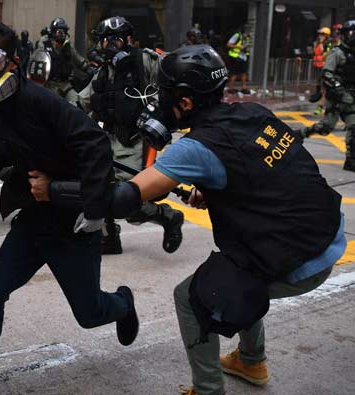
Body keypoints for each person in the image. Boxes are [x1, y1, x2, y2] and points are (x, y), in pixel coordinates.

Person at [116, 44, 344, 395]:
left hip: (301, 257)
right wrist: (219, 190)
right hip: (325, 232)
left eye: (165, 94)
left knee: (193, 296)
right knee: (237, 270)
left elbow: (128, 195)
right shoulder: (251, 113)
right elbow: (269, 172)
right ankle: (252, 361)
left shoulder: (195, 147)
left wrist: (60, 188)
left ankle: (209, 390)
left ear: (186, 102)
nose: (159, 102)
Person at [0, 21, 139, 395]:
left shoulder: (39, 100)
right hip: (33, 220)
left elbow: (95, 144)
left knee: (90, 313)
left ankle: (123, 303)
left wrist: (91, 208)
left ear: (13, 63)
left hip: (71, 222)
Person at [81, 16, 184, 255]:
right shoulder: (104, 71)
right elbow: (82, 100)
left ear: (125, 40)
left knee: (127, 199)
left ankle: (169, 217)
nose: (105, 46)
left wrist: (156, 112)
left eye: (110, 40)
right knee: (98, 186)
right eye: (102, 41)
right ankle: (109, 237)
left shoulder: (144, 61)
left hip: (135, 141)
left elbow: (171, 83)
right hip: (106, 138)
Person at [298, 20, 355, 171]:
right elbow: (327, 74)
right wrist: (340, 91)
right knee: (326, 128)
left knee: (354, 127)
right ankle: (301, 133)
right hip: (337, 98)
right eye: (351, 33)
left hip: (351, 98)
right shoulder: (337, 53)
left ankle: (351, 160)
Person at [35, 17, 93, 105]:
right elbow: (36, 62)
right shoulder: (44, 45)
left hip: (65, 84)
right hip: (49, 84)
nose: (61, 34)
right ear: (53, 32)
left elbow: (79, 60)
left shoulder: (68, 46)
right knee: (52, 106)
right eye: (59, 31)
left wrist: (88, 68)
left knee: (77, 103)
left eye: (63, 32)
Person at [225, 25, 250, 95]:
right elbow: (228, 45)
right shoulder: (237, 35)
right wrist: (239, 46)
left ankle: (244, 88)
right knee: (234, 73)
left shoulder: (247, 37)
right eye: (247, 30)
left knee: (244, 72)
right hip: (235, 56)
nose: (248, 32)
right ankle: (231, 88)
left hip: (243, 56)